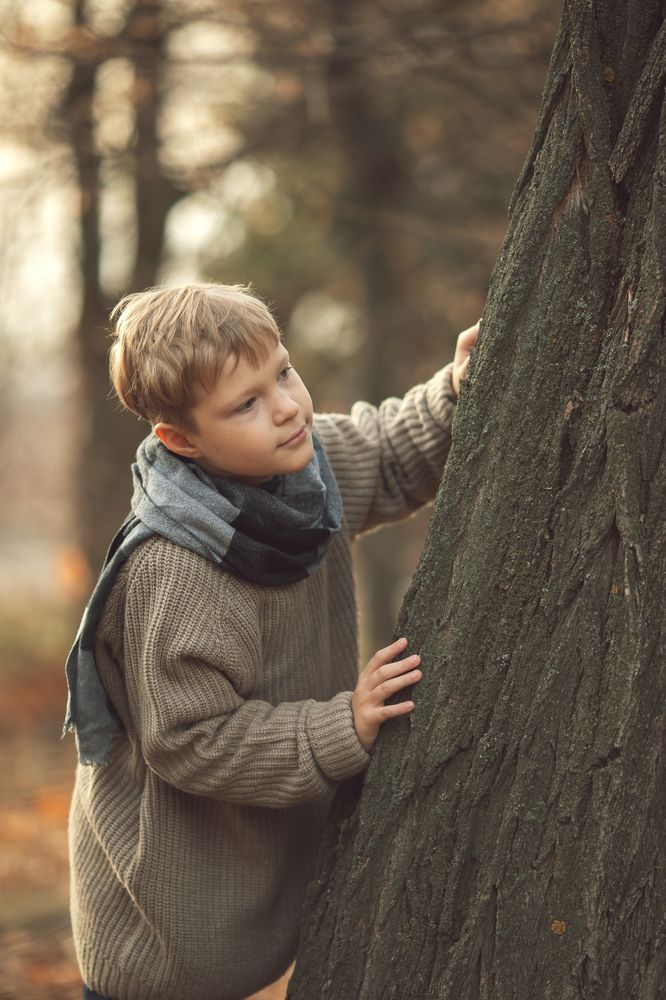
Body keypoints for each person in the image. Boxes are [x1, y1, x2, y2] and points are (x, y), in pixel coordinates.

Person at [64, 282, 478, 1000]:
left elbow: (386, 453)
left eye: (281, 372)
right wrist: (337, 726)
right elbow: (188, 736)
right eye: (244, 404)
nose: (285, 406)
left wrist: (457, 392)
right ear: (181, 439)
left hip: (264, 891)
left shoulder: (303, 468)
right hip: (168, 936)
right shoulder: (179, 564)